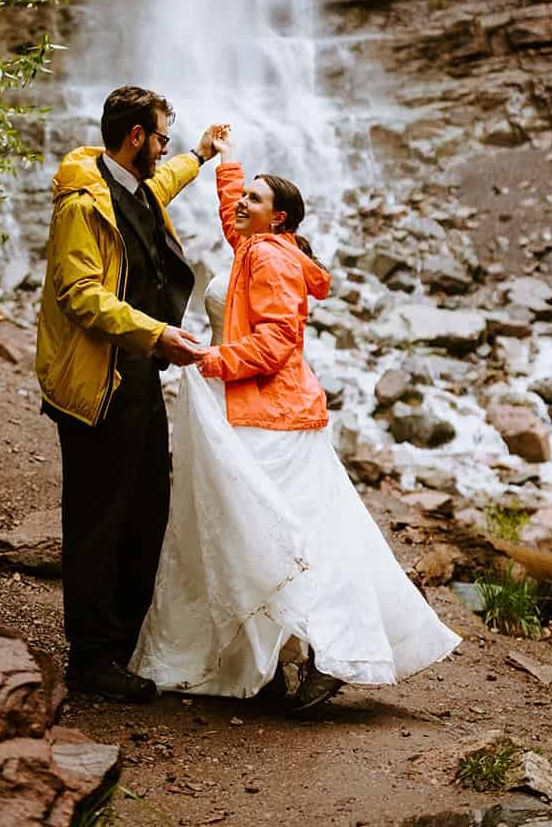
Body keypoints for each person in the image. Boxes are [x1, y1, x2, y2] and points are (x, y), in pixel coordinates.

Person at [132, 132, 460, 713]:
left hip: (265, 413)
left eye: (255, 199)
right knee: (279, 533)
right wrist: (224, 162)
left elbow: (277, 341)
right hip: (267, 408)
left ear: (278, 218)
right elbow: (239, 239)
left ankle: (320, 653)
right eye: (245, 195)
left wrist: (207, 359)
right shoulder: (259, 247)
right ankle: (291, 655)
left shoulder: (267, 255)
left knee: (264, 535)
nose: (242, 206)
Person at [37, 84, 225, 703]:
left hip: (138, 370)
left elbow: (162, 183)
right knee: (97, 517)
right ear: (137, 137)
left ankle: (127, 641)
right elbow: (80, 294)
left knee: (147, 509)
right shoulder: (81, 204)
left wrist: (198, 156)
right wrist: (159, 333)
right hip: (96, 380)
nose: (165, 149)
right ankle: (91, 657)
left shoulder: (136, 183)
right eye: (163, 137)